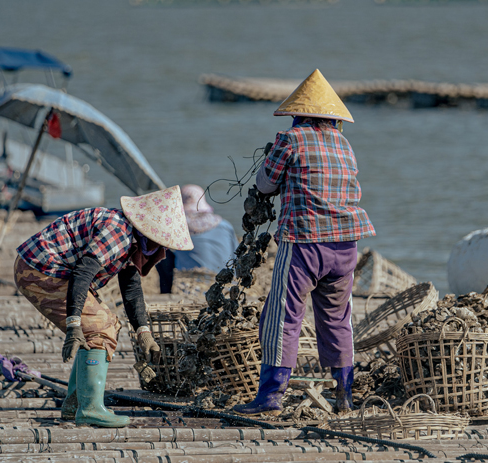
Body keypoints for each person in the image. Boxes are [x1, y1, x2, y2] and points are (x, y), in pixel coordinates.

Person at [233, 69, 375, 416]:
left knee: (281, 317)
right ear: (333, 119)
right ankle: (344, 396)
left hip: (304, 242)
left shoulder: (291, 138)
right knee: (338, 319)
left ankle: (269, 397)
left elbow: (266, 184)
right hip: (346, 245)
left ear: (300, 114)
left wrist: (270, 167)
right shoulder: (344, 144)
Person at [14, 185, 193, 428]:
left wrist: (144, 333)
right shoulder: (118, 232)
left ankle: (74, 404)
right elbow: (84, 271)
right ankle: (89, 409)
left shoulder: (130, 238)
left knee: (107, 324)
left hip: (49, 269)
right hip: (40, 270)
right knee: (100, 328)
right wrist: (74, 324)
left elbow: (131, 288)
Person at [155, 184, 238, 292]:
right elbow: (237, 257)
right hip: (227, 285)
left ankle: (166, 292)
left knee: (161, 250)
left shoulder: (178, 227)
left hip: (192, 286)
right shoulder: (225, 225)